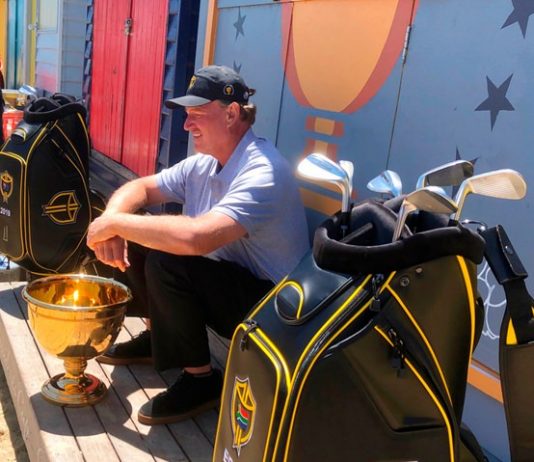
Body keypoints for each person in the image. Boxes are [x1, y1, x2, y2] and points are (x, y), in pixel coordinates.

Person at [86, 65, 309, 425]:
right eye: (186, 115)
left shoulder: (263, 171)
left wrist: (112, 224)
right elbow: (141, 188)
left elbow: (197, 238)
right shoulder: (204, 164)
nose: (187, 125)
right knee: (141, 233)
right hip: (235, 285)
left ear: (232, 113)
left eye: (197, 114)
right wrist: (114, 219)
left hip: (273, 314)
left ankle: (201, 379)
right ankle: (157, 338)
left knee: (168, 257)